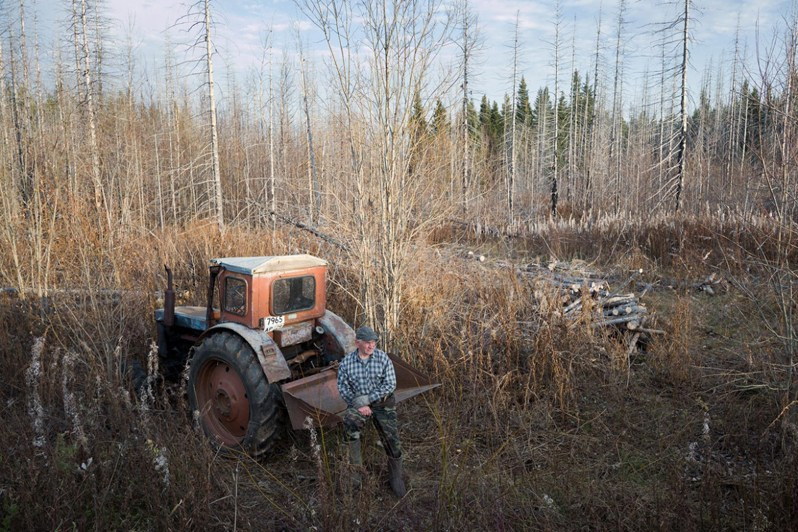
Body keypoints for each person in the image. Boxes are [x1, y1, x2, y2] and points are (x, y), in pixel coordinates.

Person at [336, 325, 406, 497]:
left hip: (382, 404)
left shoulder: (383, 358)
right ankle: (355, 475)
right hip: (359, 404)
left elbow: (390, 384)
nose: (371, 346)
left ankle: (396, 477)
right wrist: (359, 403)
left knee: (392, 438)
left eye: (374, 342)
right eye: (367, 343)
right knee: (350, 422)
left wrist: (369, 399)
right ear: (357, 342)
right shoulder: (346, 363)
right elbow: (342, 387)